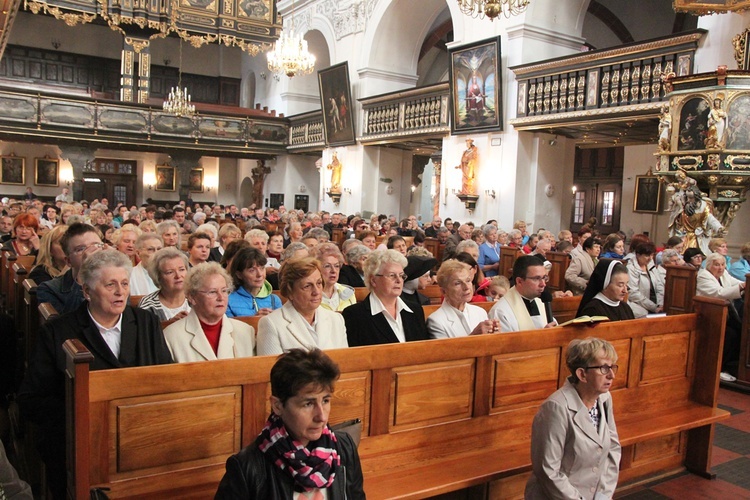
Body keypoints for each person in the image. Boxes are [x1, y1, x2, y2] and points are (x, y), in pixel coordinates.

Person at [18, 250, 173, 498]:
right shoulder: (58, 331)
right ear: (87, 291)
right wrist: (83, 415)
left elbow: (166, 380)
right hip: (79, 445)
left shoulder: (146, 322)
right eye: (110, 284)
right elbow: (31, 400)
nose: (120, 292)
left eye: (124, 284)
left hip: (139, 440)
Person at [215, 348, 365, 499]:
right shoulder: (247, 467)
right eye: (308, 404)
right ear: (278, 406)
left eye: (325, 401)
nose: (321, 417)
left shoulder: (344, 447)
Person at [525, 338, 621, 499]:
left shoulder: (604, 399)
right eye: (604, 368)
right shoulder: (556, 408)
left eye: (612, 367)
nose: (611, 375)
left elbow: (613, 449)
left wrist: (603, 494)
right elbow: (548, 471)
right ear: (582, 374)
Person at [163, 262, 255, 362]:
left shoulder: (245, 331)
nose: (221, 298)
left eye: (224, 291)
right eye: (212, 292)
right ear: (192, 297)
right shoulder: (171, 336)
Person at [257, 257, 348, 356]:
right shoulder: (271, 323)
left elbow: (344, 363)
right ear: (290, 291)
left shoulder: (336, 319)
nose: (316, 292)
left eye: (319, 283)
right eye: (307, 286)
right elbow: (271, 369)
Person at [343, 249, 429, 346]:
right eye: (392, 275)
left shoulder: (415, 311)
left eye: (401, 276)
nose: (399, 280)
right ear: (373, 280)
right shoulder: (354, 315)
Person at [696, 252, 746, 381]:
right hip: (708, 314)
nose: (721, 268)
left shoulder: (724, 274)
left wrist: (745, 285)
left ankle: (732, 366)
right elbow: (718, 293)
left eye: (723, 264)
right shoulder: (703, 276)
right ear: (708, 266)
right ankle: (718, 368)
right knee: (730, 335)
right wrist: (741, 287)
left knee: (742, 331)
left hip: (725, 312)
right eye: (717, 265)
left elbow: (738, 283)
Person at [37, 222, 104, 314]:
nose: (91, 252)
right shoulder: (49, 289)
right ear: (68, 261)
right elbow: (65, 326)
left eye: (96, 245)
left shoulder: (117, 282)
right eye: (80, 249)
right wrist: (83, 272)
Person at [427, 260, 499, 339]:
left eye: (468, 281)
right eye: (458, 283)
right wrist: (474, 336)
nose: (467, 287)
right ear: (444, 291)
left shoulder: (480, 312)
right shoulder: (436, 321)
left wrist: (495, 336)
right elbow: (445, 351)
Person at [489, 255, 556, 332]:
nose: (543, 284)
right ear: (519, 281)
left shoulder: (542, 303)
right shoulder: (501, 311)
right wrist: (542, 337)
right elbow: (503, 342)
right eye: (537, 279)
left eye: (544, 278)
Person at [226, 247, 282, 317]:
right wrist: (254, 320)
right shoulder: (228, 301)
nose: (260, 274)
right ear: (239, 275)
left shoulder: (274, 300)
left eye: (262, 268)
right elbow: (230, 327)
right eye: (252, 270)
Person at [138, 247, 191, 321]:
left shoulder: (198, 298)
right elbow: (146, 331)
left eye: (182, 269)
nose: (178, 276)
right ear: (158, 277)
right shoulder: (149, 305)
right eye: (170, 272)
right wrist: (169, 324)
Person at [668, 186, 723, 256]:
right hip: (684, 236)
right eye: (687, 197)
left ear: (696, 197)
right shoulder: (684, 207)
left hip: (698, 236)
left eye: (691, 198)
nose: (689, 200)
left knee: (696, 254)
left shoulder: (704, 208)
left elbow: (711, 219)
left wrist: (719, 227)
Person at [313, 242, 356, 312]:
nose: (333, 271)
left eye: (336, 266)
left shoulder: (347, 292)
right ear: (317, 269)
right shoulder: (311, 295)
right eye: (327, 266)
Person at [626, 241, 664, 318]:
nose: (650, 258)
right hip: (638, 305)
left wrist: (660, 304)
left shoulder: (651, 265)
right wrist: (654, 307)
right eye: (647, 255)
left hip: (656, 305)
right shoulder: (630, 268)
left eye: (652, 255)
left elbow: (659, 285)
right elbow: (633, 293)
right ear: (638, 255)